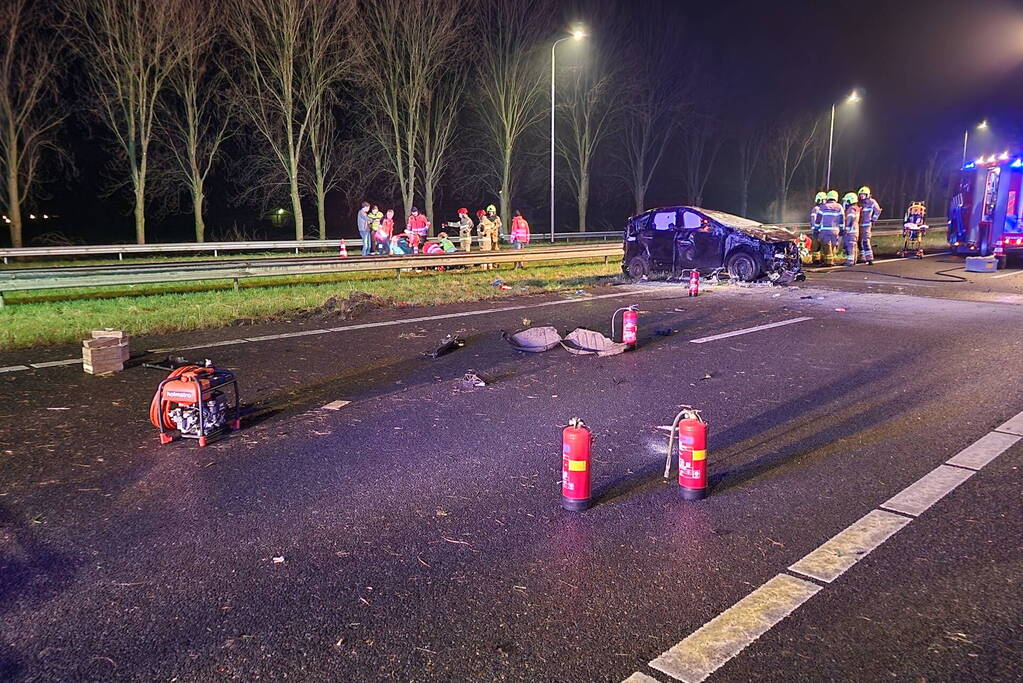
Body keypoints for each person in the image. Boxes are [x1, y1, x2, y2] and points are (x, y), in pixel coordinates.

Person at [817, 191, 844, 267]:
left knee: (827, 246)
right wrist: (841, 229)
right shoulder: (839, 207)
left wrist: (816, 228)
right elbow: (842, 219)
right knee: (833, 246)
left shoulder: (823, 207)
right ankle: (832, 260)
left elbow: (818, 219)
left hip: (825, 230)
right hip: (835, 230)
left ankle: (828, 262)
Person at [857, 186, 882, 265]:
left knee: (865, 241)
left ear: (867, 195)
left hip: (866, 225)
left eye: (864, 194)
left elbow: (877, 211)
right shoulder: (858, 203)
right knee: (859, 241)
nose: (862, 196)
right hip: (858, 225)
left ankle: (869, 258)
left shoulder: (872, 202)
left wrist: (873, 219)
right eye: (861, 194)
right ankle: (862, 257)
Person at [840, 193, 860, 266]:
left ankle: (850, 261)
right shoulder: (856, 208)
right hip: (855, 230)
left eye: (846, 201)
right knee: (854, 245)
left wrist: (847, 228)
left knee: (850, 246)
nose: (845, 203)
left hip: (851, 231)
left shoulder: (851, 209)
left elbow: (850, 219)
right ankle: (854, 260)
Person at [810, 191, 826, 264]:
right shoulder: (816, 209)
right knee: (816, 246)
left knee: (820, 246)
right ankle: (815, 260)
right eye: (824, 199)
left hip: (820, 230)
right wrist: (816, 229)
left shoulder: (822, 209)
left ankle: (820, 259)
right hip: (817, 230)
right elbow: (814, 220)